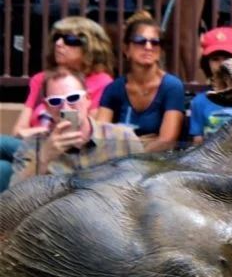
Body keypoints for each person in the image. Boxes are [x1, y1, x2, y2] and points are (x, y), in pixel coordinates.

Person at [12, 70, 144, 183]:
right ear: (47, 108)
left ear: (88, 99)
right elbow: (13, 205)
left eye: (73, 98)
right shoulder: (33, 145)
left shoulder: (124, 139)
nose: (65, 107)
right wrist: (43, 159)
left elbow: (146, 191)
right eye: (55, 101)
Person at [97, 13, 187, 152]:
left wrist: (128, 149)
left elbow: (167, 140)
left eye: (155, 42)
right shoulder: (114, 89)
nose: (148, 46)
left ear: (161, 51)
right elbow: (100, 137)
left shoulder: (172, 86)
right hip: (119, 165)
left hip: (158, 164)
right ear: (126, 49)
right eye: (140, 41)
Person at [14, 17, 116, 136]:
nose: (58, 44)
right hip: (33, 147)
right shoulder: (40, 79)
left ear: (90, 47)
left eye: (70, 40)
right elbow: (18, 132)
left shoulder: (103, 82)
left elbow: (92, 132)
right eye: (57, 38)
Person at [188, 27, 232, 144]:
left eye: (227, 58)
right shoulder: (199, 102)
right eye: (215, 59)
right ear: (206, 63)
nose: (222, 64)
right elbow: (197, 143)